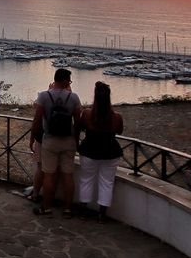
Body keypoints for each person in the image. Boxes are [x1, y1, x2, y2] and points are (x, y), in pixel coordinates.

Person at [32, 68, 82, 217]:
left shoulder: (44, 96)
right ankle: (67, 209)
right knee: (68, 175)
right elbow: (78, 122)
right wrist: (76, 140)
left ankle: (46, 207)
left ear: (55, 79)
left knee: (49, 175)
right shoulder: (74, 97)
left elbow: (37, 119)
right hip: (68, 140)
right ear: (66, 81)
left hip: (50, 140)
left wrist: (35, 136)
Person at [77, 81, 124, 222]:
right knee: (107, 182)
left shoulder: (86, 114)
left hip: (89, 150)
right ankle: (102, 214)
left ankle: (83, 210)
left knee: (86, 180)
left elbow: (79, 128)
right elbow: (119, 131)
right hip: (110, 152)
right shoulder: (116, 117)